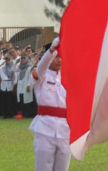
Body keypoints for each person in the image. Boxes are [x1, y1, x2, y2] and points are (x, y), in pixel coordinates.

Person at [30, 38, 70, 171]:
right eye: (56, 57)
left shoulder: (68, 77)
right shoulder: (41, 76)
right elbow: (41, 67)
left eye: (61, 56)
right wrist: (51, 50)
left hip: (65, 130)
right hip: (45, 129)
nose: (59, 60)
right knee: (43, 168)